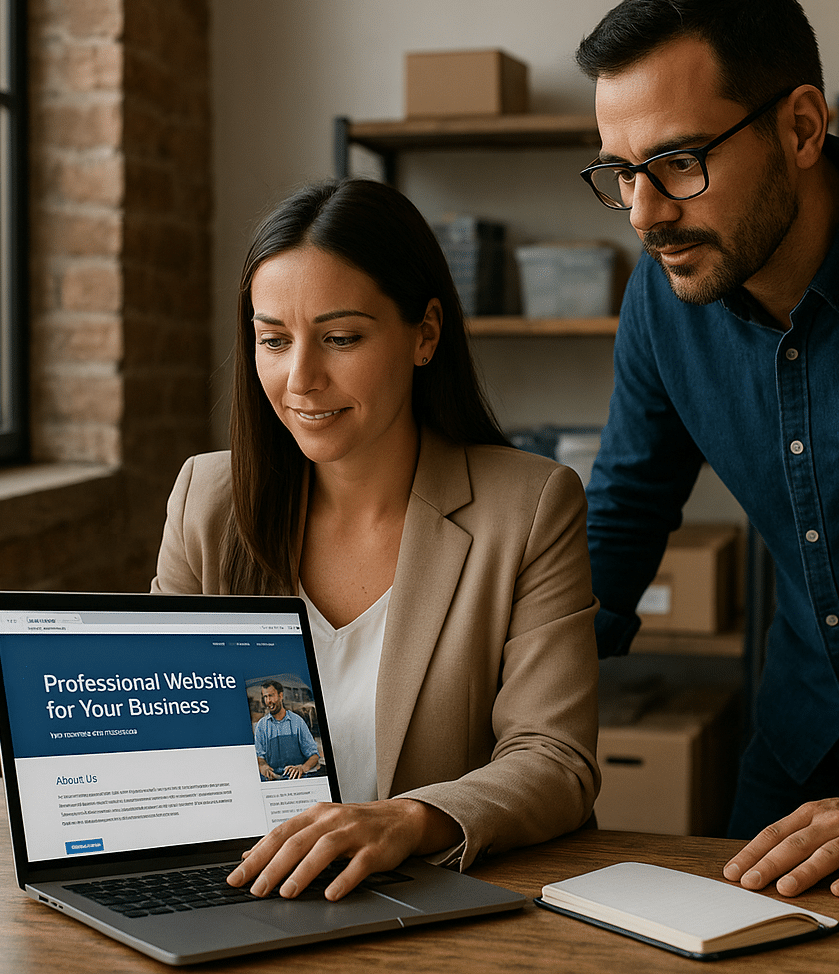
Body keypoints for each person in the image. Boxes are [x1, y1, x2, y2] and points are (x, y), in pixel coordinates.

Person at [575, 0, 839, 899]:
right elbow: (626, 512)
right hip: (801, 756)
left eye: (680, 162)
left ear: (801, 127)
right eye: (618, 173)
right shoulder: (664, 290)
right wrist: (495, 719)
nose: (643, 214)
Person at [151, 177, 600, 901]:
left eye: (340, 338)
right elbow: (161, 738)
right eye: (273, 340)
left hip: (428, 905)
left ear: (424, 333)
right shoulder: (207, 501)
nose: (301, 379)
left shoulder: (529, 506)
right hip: (241, 895)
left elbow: (555, 759)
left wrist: (409, 819)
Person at [254, 680, 321, 780]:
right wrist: (263, 767)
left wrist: (302, 768)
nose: (268, 701)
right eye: (265, 697)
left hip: (297, 779)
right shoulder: (261, 726)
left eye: (271, 695)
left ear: (281, 696)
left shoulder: (297, 721)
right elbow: (260, 756)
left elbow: (314, 756)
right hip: (273, 781)